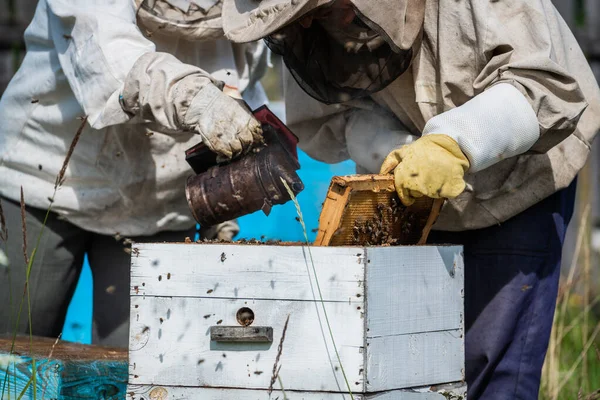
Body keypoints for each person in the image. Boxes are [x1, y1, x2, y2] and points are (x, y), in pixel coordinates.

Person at [221, 0, 600, 398]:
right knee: (412, 367)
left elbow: (543, 89)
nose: (317, 23)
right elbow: (336, 119)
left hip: (519, 185)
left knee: (494, 374)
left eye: (323, 8)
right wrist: (393, 147)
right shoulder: (313, 32)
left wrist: (456, 143)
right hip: (413, 200)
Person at [0, 0, 268, 347]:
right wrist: (196, 99)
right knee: (15, 356)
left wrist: (224, 189)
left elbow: (242, 84)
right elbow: (108, 53)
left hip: (163, 204)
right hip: (45, 184)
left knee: (135, 369)